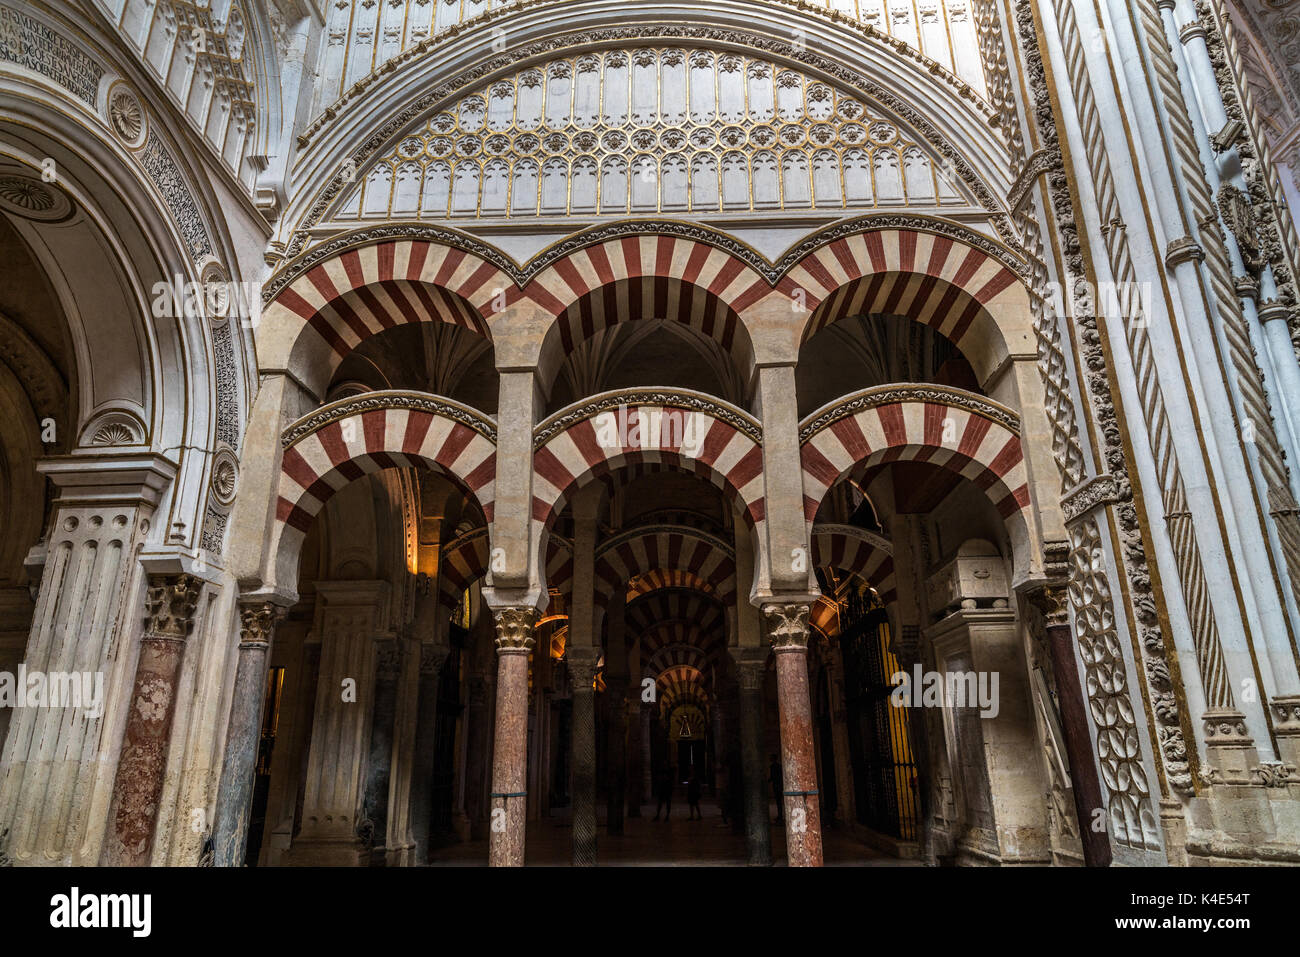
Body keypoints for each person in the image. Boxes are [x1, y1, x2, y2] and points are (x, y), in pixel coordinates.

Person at [769, 754, 783, 823]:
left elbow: (772, 777)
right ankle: (780, 815)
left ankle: (780, 816)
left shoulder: (772, 767)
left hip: (776, 785)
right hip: (780, 785)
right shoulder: (779, 766)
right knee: (779, 802)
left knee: (778, 802)